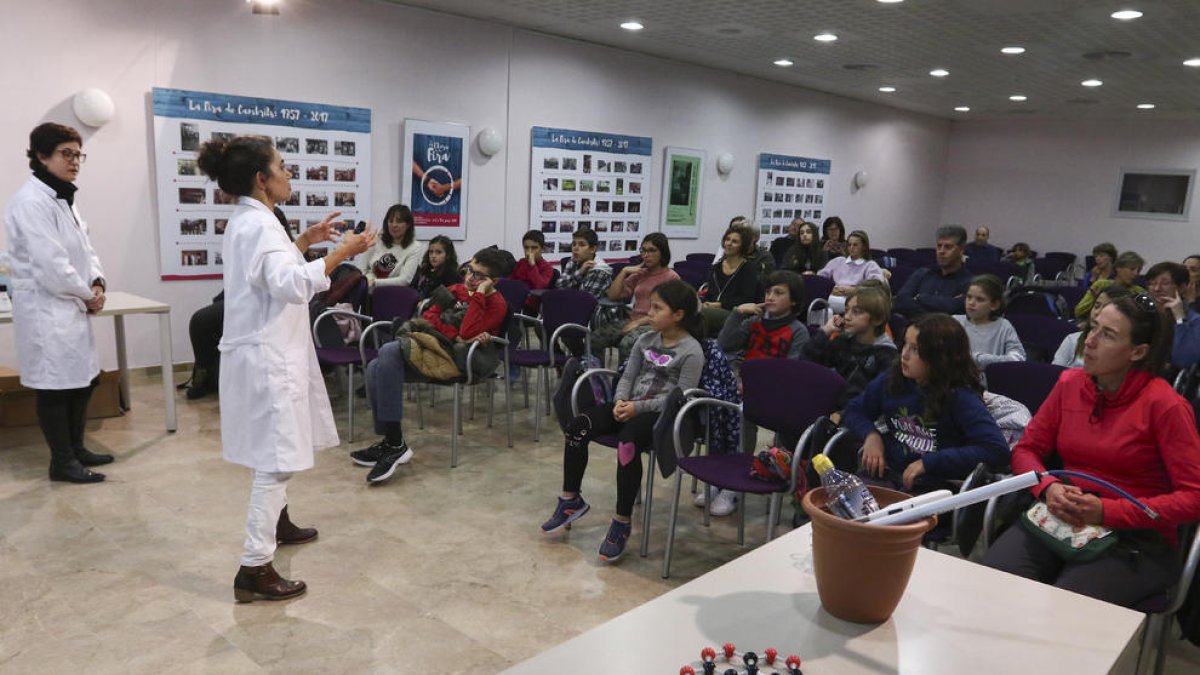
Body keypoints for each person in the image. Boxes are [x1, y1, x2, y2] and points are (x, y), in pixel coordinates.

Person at [197, 135, 374, 602]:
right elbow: (292, 285)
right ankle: (253, 568)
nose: (289, 173)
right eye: (282, 166)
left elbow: (269, 272)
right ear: (262, 179)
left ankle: (278, 521)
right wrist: (341, 254)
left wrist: (303, 241)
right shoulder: (257, 225)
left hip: (265, 353)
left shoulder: (254, 220)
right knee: (275, 461)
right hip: (267, 359)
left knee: (276, 450)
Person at [984, 295, 1200, 609]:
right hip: (1063, 513)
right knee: (993, 584)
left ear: (1137, 352)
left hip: (1134, 536)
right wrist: (1047, 487)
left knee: (1065, 611)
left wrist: (1106, 512)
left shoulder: (1166, 406)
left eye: (1107, 335)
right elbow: (1027, 450)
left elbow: (1194, 497)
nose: (1090, 341)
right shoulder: (1070, 384)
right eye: (1093, 327)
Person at [540, 279, 705, 562]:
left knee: (627, 445)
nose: (648, 313)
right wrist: (619, 401)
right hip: (627, 404)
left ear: (678, 315)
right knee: (579, 427)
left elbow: (679, 398)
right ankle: (571, 500)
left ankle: (621, 520)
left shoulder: (692, 351)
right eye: (650, 307)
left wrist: (637, 408)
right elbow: (627, 376)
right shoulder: (645, 340)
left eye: (657, 308)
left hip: (657, 415)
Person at [4, 122, 112, 483]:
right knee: (55, 386)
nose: (75, 161)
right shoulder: (31, 202)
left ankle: (77, 449)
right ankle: (61, 461)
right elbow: (52, 265)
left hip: (71, 304)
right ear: (41, 155)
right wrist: (87, 295)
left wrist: (96, 281)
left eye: (78, 154)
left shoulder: (63, 197)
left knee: (83, 381)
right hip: (47, 308)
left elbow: (86, 248)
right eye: (66, 154)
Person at [355, 249, 508, 481]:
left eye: (478, 276)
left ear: (493, 282)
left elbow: (467, 331)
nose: (470, 278)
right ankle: (392, 442)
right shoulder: (455, 290)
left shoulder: (496, 304)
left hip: (458, 360)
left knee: (386, 351)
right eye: (469, 269)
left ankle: (394, 443)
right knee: (375, 367)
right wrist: (452, 334)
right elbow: (429, 317)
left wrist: (478, 297)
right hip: (434, 346)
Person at [184, 207, 341, 400]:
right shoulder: (258, 226)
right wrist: (342, 251)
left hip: (272, 314)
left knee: (203, 321)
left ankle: (206, 376)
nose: (392, 225)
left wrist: (366, 271)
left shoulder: (389, 254)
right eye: (390, 221)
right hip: (256, 312)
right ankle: (205, 376)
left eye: (392, 221)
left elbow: (379, 271)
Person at [841, 313, 1010, 493]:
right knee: (842, 501)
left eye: (915, 349)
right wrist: (870, 435)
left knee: (887, 517)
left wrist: (929, 463)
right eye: (905, 344)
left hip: (934, 485)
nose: (904, 354)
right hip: (890, 473)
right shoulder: (893, 378)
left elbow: (996, 450)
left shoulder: (961, 397)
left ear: (939, 357)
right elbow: (853, 411)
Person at [803, 284, 897, 414]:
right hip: (826, 406)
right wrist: (826, 331)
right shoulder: (843, 341)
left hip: (853, 417)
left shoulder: (887, 356)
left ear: (878, 319)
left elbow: (874, 399)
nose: (847, 317)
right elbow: (807, 363)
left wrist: (842, 414)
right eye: (846, 310)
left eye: (856, 312)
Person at [595, 233, 680, 362]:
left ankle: (623, 379)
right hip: (633, 319)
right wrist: (624, 272)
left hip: (655, 324)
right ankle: (596, 378)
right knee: (595, 338)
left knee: (627, 344)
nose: (646, 255)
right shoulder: (641, 273)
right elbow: (613, 295)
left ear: (662, 252)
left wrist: (638, 323)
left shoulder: (671, 277)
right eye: (643, 251)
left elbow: (667, 312)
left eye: (652, 251)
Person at [891, 225, 974, 318]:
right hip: (912, 328)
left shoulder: (970, 281)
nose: (941, 251)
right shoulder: (922, 273)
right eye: (939, 246)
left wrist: (920, 298)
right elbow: (900, 301)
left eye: (948, 247)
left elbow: (958, 308)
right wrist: (944, 306)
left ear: (961, 250)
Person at [954, 274, 1026, 369]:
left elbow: (1018, 358)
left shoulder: (1003, 326)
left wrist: (976, 359)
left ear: (994, 305)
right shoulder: (954, 322)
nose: (971, 303)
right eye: (969, 297)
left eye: (979, 299)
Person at [700, 224, 759, 336]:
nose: (729, 243)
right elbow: (709, 294)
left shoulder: (748, 269)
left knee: (700, 314)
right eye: (727, 239)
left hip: (736, 312)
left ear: (743, 246)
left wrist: (720, 305)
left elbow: (746, 299)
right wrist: (706, 303)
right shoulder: (716, 267)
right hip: (712, 309)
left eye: (735, 241)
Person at [1053, 286, 1129, 368]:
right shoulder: (1072, 340)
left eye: (1106, 309)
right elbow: (1054, 375)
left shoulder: (1120, 351)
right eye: (1096, 306)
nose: (1097, 312)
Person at [360, 203, 423, 288]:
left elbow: (405, 280)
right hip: (366, 288)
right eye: (390, 221)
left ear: (408, 225)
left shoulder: (415, 247)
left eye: (399, 221)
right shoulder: (376, 240)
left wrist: (374, 282)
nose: (394, 225)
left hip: (392, 293)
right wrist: (365, 282)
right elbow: (362, 269)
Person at [1074, 251, 1145, 319]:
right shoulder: (1101, 285)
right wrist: (1095, 301)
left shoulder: (1139, 292)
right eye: (1132, 269)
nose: (1136, 274)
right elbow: (1078, 312)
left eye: (1138, 271)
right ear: (1118, 268)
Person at [815, 229, 885, 297]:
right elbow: (820, 278)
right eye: (849, 244)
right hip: (833, 297)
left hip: (858, 300)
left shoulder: (870, 265)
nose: (851, 248)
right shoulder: (838, 261)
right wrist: (830, 288)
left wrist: (855, 290)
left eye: (855, 245)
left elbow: (876, 286)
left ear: (864, 247)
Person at [554, 228, 612, 298]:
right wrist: (580, 272)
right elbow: (559, 286)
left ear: (593, 249)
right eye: (574, 244)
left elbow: (584, 301)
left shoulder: (599, 270)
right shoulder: (573, 260)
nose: (575, 248)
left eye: (581, 245)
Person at [510, 229, 555, 312]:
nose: (529, 251)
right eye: (526, 248)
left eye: (534, 248)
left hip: (532, 305)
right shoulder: (521, 262)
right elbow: (512, 282)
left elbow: (540, 287)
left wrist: (532, 266)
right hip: (516, 299)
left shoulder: (547, 268)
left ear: (542, 249)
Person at [411, 234, 462, 303]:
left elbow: (448, 300)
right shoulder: (423, 271)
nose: (433, 256)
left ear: (448, 255)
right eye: (431, 252)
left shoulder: (451, 275)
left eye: (438, 252)